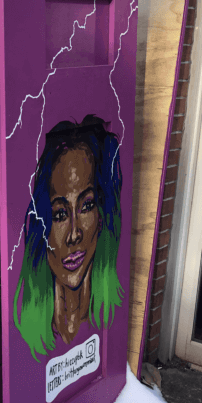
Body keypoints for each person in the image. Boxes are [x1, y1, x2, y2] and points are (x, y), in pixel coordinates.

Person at [14, 115, 123, 360]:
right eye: (59, 214)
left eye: (87, 206)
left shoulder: (106, 310)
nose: (74, 234)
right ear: (38, 224)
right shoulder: (26, 324)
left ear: (101, 215)